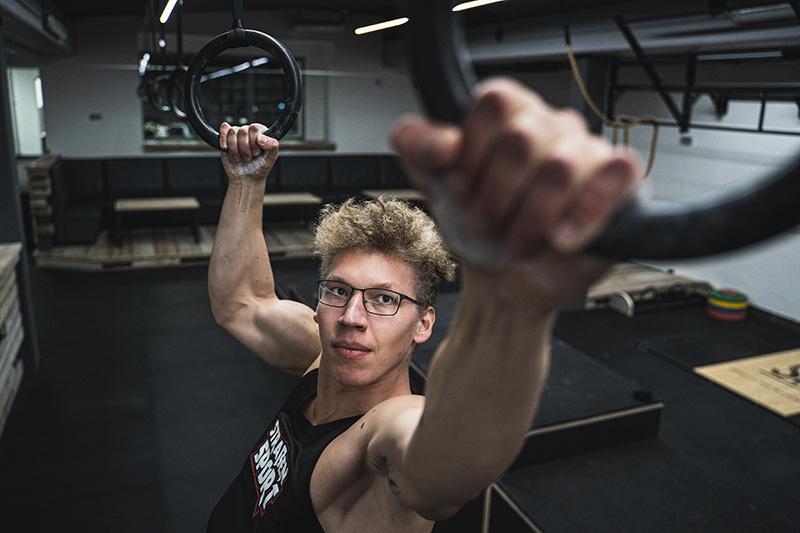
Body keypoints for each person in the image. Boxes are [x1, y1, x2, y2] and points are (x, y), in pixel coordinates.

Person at [206, 78, 642, 532]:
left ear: (424, 323)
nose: (351, 318)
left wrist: (511, 298)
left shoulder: (388, 430)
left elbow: (441, 474)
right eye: (338, 291)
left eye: (384, 300)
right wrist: (245, 180)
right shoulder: (322, 355)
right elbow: (243, 303)